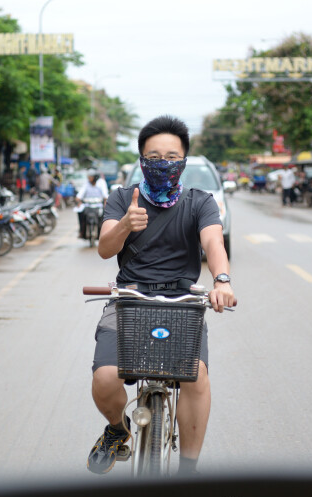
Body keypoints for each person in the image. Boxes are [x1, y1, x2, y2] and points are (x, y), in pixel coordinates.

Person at [87, 115, 236, 476]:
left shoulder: (201, 201)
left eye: (171, 155)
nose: (163, 163)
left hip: (182, 301)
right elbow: (105, 249)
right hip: (128, 298)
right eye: (154, 156)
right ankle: (118, 430)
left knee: (195, 376)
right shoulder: (123, 198)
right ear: (141, 160)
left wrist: (222, 280)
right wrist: (125, 224)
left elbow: (213, 241)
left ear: (183, 160)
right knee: (105, 379)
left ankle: (187, 472)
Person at [76, 169, 107, 238]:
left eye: (90, 177)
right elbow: (80, 195)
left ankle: (103, 233)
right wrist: (79, 201)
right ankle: (81, 231)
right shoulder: (86, 184)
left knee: (105, 216)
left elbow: (105, 195)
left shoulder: (101, 183)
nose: (89, 178)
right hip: (88, 205)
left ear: (95, 177)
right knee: (80, 213)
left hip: (98, 206)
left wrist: (105, 202)